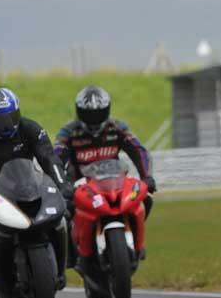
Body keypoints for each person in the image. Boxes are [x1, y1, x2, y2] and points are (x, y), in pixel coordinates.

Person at [0, 87, 72, 288]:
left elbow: (49, 158)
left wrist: (62, 184)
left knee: (63, 214)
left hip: (27, 181)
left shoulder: (31, 129)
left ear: (18, 112)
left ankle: (62, 266)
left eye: (11, 117)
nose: (6, 124)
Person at [54, 85, 156, 268]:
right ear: (79, 112)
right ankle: (70, 256)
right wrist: (62, 185)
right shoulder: (68, 132)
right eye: (89, 114)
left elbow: (138, 150)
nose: (94, 120)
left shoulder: (117, 127)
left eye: (98, 113)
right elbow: (55, 158)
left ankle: (135, 237)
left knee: (146, 198)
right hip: (80, 185)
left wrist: (146, 176)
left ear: (107, 110)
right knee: (63, 211)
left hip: (114, 181)